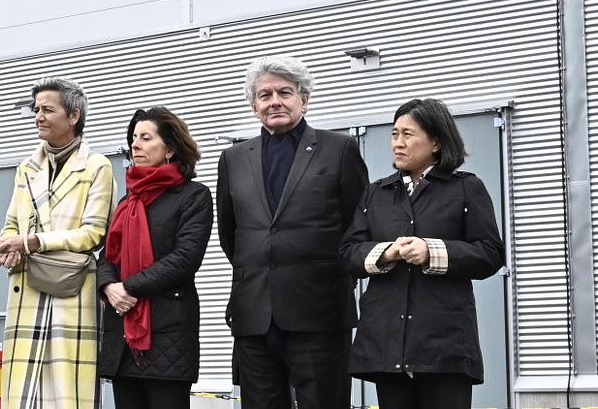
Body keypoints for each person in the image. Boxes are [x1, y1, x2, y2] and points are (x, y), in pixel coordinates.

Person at [215, 55, 368, 409]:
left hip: (319, 309)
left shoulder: (339, 149)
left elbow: (358, 226)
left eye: (284, 92)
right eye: (265, 95)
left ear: (304, 99)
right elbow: (231, 234)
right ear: (254, 106)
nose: (275, 102)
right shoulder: (233, 158)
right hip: (255, 312)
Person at [340, 98, 504, 409]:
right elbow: (349, 253)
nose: (398, 143)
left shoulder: (466, 188)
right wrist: (387, 252)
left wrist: (432, 251)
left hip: (444, 343)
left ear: (436, 142)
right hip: (386, 341)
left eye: (408, 134)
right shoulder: (376, 193)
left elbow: (490, 253)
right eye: (394, 134)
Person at [0, 77, 114, 409]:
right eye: (36, 110)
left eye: (47, 110)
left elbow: (93, 234)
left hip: (72, 287)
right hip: (28, 286)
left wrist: (33, 241)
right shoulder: (27, 167)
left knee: (69, 392)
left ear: (74, 116)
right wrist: (8, 245)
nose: (38, 117)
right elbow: (12, 222)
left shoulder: (97, 166)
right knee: (23, 394)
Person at [97, 106, 212, 409]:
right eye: (134, 138)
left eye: (146, 138)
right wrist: (108, 287)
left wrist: (128, 287)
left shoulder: (193, 196)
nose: (135, 145)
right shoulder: (127, 201)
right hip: (123, 334)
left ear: (170, 149)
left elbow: (185, 258)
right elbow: (107, 256)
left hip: (168, 331)